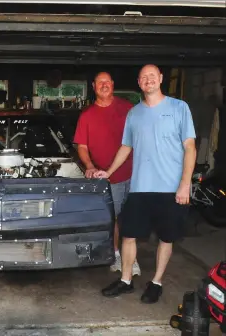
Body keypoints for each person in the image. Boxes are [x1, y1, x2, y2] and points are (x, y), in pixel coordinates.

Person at [95, 64, 196, 304]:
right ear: (139, 84)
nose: (148, 80)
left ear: (160, 78)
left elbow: (190, 147)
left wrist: (185, 184)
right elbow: (126, 147)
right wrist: (108, 172)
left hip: (170, 188)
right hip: (139, 187)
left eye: (152, 76)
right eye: (143, 78)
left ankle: (157, 282)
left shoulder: (179, 108)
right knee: (128, 234)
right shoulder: (134, 113)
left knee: (166, 237)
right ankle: (126, 280)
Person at [74, 71, 141, 276]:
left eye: (107, 82)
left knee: (132, 217)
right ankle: (116, 254)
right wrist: (90, 166)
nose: (104, 85)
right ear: (93, 86)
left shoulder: (128, 108)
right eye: (100, 82)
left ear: (113, 84)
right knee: (112, 219)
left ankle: (132, 258)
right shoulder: (87, 115)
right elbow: (82, 146)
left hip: (134, 174)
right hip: (108, 178)